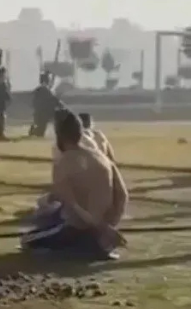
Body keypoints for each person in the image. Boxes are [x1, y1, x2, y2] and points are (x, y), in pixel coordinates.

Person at [21, 110, 128, 260]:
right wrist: (111, 224)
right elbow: (122, 194)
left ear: (59, 134)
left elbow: (73, 205)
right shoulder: (101, 157)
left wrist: (103, 229)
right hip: (103, 228)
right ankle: (94, 245)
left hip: (81, 228)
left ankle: (79, 247)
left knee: (27, 239)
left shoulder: (63, 163)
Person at [29, 71, 61, 137]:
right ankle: (33, 131)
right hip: (43, 114)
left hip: (40, 114)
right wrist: (61, 105)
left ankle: (34, 130)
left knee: (41, 132)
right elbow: (54, 99)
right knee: (40, 133)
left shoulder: (38, 90)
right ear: (46, 81)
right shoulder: (46, 90)